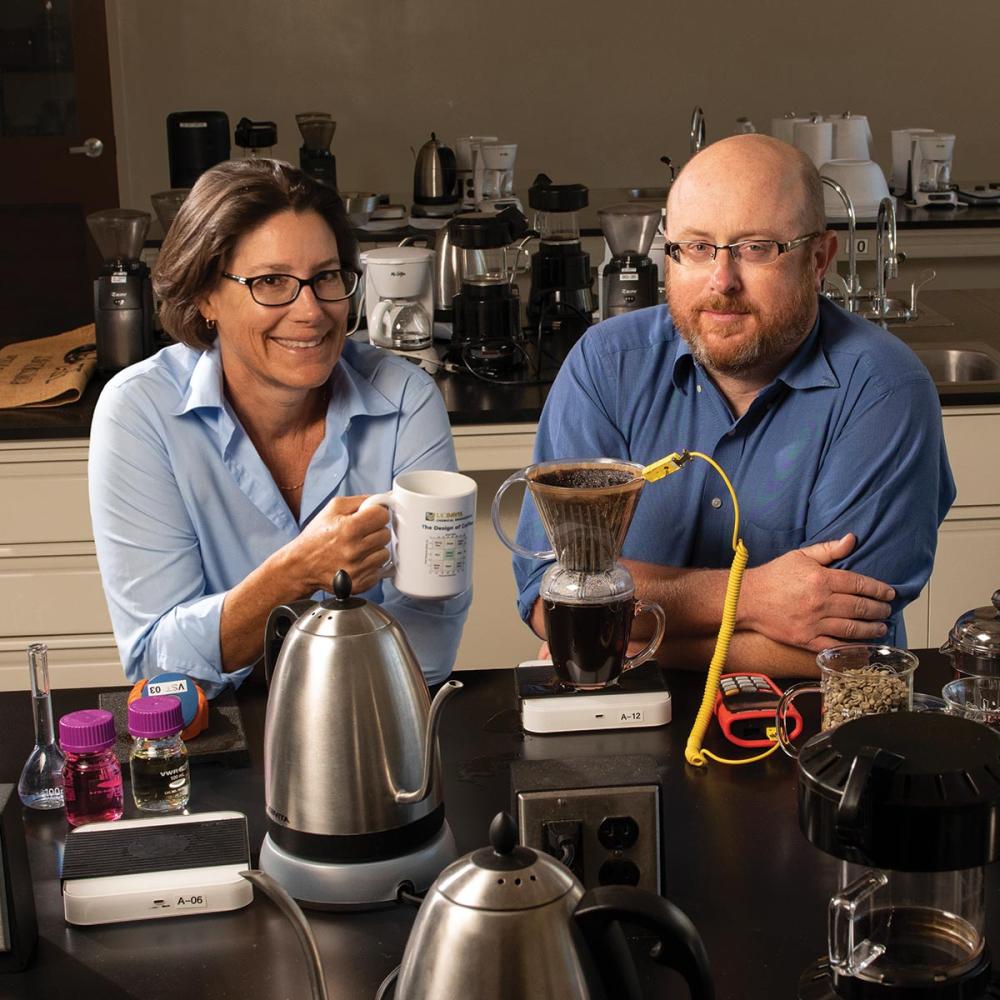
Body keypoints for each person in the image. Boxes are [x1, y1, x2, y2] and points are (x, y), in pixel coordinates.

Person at [514, 134, 955, 676]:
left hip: (815, 733)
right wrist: (753, 597)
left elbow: (850, 649)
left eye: (756, 247)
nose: (722, 281)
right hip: (617, 726)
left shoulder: (884, 389)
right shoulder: (606, 365)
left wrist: (610, 643)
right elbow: (547, 598)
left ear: (819, 258)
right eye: (697, 248)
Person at [89, 159, 470, 697]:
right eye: (271, 281)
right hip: (223, 742)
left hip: (375, 728)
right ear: (205, 297)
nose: (311, 311)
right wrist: (295, 572)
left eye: (326, 277)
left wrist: (249, 636)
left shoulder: (405, 398)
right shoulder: (141, 411)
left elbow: (429, 645)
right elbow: (158, 666)